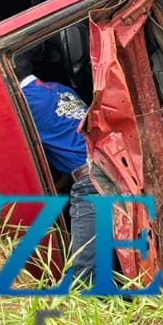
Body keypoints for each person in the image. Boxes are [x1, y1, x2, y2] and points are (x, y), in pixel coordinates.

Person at [14, 52, 98, 284]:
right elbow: (69, 142)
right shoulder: (59, 89)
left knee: (84, 270)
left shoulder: (24, 102)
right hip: (105, 169)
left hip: (91, 184)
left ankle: (87, 314)